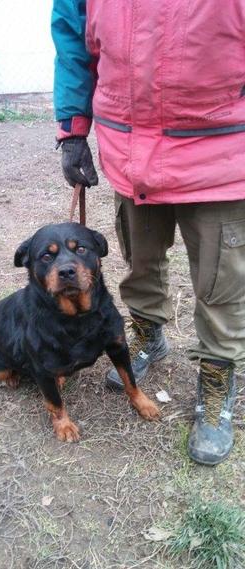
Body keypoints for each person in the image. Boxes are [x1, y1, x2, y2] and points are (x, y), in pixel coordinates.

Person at [51, 0, 245, 466]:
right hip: (130, 146)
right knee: (139, 258)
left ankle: (217, 377)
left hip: (221, 143)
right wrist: (74, 128)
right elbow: (74, 36)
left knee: (221, 280)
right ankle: (147, 335)